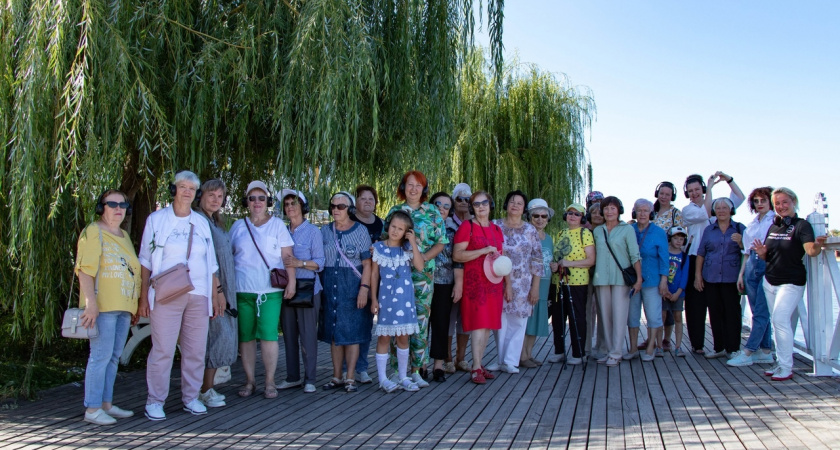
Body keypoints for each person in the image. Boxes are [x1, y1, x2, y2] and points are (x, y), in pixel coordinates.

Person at [138, 171, 222, 420]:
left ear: (196, 194)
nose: (187, 192)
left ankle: (191, 397)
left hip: (198, 294)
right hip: (167, 293)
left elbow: (212, 262)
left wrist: (216, 293)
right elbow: (145, 260)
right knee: (163, 349)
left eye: (192, 188)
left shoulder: (201, 222)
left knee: (195, 349)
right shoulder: (157, 219)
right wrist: (143, 297)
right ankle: (155, 400)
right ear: (174, 189)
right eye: (182, 186)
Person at [75, 189, 141, 425]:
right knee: (100, 357)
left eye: (122, 205)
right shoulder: (93, 231)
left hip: (123, 307)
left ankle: (106, 404)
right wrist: (90, 305)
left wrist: (133, 306)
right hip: (102, 307)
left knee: (113, 358)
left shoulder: (123, 235)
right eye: (111, 204)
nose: (117, 209)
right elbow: (84, 270)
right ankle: (92, 409)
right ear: (101, 207)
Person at [229, 180, 297, 399]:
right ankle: (250, 381)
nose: (257, 202)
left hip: (269, 291)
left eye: (261, 198)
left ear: (267, 201)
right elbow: (229, 257)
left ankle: (270, 381)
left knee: (269, 336)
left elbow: (288, 257)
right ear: (246, 201)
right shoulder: (238, 227)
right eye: (252, 198)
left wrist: (292, 282)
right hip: (242, 290)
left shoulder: (277, 225)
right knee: (246, 337)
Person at [753, 188, 826, 381]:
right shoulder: (774, 226)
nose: (781, 206)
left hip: (791, 282)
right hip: (770, 281)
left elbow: (810, 251)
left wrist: (817, 245)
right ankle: (780, 362)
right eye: (777, 203)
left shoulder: (801, 226)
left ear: (794, 202)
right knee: (778, 324)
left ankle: (786, 367)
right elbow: (768, 255)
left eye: (785, 202)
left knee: (779, 319)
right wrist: (761, 253)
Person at [384, 171, 447, 387]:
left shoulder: (432, 212)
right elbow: (386, 239)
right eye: (409, 185)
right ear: (403, 187)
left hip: (423, 275)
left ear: (424, 189)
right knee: (397, 323)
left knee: (420, 323)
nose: (413, 189)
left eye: (418, 186)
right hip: (397, 274)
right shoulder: (395, 211)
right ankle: (395, 371)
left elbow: (441, 241)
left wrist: (425, 257)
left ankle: (417, 370)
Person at [682, 171, 745, 355]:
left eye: (697, 189)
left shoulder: (719, 205)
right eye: (690, 190)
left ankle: (728, 345)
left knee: (720, 304)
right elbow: (706, 212)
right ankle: (697, 344)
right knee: (695, 305)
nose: (694, 193)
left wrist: (728, 180)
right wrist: (709, 188)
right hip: (696, 258)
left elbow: (739, 198)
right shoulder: (689, 210)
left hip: (719, 260)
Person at [319, 191, 373, 392]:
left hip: (352, 285)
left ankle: (350, 377)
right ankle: (336, 376)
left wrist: (364, 289)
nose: (335, 210)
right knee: (334, 333)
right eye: (333, 206)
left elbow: (367, 265)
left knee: (352, 332)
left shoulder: (360, 231)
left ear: (349, 209)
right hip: (330, 284)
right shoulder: (324, 231)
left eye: (340, 206)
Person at [487, 190, 542, 373]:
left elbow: (537, 259)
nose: (515, 205)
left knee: (518, 322)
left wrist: (535, 287)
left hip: (523, 282)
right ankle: (501, 359)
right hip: (497, 280)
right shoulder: (495, 226)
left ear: (524, 208)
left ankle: (511, 360)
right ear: (506, 204)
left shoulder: (530, 230)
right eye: (512, 201)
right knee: (500, 321)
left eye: (519, 203)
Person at [195, 179, 238, 408]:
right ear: (200, 195)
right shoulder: (200, 221)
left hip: (224, 288)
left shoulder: (215, 221)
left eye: (220, 196)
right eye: (211, 195)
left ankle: (206, 388)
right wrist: (218, 290)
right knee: (216, 337)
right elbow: (205, 259)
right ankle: (204, 390)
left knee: (220, 335)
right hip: (213, 289)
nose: (215, 200)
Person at [453, 190, 504, 384]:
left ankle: (479, 363)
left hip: (494, 283)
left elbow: (502, 258)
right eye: (476, 204)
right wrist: (483, 251)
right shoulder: (468, 226)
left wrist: (508, 285)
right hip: (475, 283)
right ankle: (475, 368)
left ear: (490, 205)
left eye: (484, 203)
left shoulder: (497, 229)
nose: (481, 207)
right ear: (472, 207)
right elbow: (457, 255)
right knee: (478, 324)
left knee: (488, 324)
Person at [371, 210, 424, 392]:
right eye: (393, 226)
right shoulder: (378, 248)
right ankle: (383, 378)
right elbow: (374, 274)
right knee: (384, 337)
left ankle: (403, 376)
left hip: (405, 302)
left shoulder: (408, 249)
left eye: (400, 229)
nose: (395, 231)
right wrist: (373, 300)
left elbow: (419, 265)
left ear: (406, 232)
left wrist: (413, 243)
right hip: (386, 301)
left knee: (403, 338)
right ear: (388, 226)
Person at [279, 190, 324, 393]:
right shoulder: (281, 231)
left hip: (307, 289)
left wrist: (301, 263)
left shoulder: (313, 231)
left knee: (307, 335)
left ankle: (310, 379)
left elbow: (320, 263)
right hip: (286, 288)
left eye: (294, 203)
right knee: (288, 334)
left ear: (303, 207)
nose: (290, 207)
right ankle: (293, 376)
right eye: (287, 203)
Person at [728, 187, 777, 367]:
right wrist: (741, 275)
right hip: (751, 265)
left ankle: (748, 351)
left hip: (767, 263)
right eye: (756, 201)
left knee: (762, 312)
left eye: (763, 200)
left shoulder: (775, 221)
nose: (759, 204)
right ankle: (765, 351)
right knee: (756, 310)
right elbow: (746, 252)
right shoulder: (753, 223)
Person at [592, 196, 642, 367]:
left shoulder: (627, 229)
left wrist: (638, 279)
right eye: (606, 208)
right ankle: (607, 350)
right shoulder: (598, 231)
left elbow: (635, 255)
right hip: (602, 278)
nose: (609, 211)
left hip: (621, 279)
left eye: (612, 208)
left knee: (619, 316)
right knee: (605, 317)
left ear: (619, 210)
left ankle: (616, 352)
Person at [694, 197, 746, 358]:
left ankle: (733, 349)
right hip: (711, 277)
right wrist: (698, 276)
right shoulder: (709, 230)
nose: (722, 210)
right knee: (714, 312)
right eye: (718, 207)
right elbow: (701, 253)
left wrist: (741, 242)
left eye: (725, 207)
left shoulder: (739, 228)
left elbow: (749, 252)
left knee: (732, 313)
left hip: (731, 278)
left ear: (731, 210)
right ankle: (719, 348)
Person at [547, 203, 594, 365]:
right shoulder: (561, 233)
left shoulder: (585, 233)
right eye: (569, 213)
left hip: (577, 282)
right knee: (558, 317)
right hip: (558, 282)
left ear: (582, 218)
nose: (572, 216)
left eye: (577, 214)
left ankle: (578, 352)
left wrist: (567, 263)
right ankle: (559, 350)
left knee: (576, 317)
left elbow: (590, 260)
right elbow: (558, 256)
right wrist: (555, 265)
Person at [344, 184, 382, 384]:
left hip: (374, 279)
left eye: (371, 199)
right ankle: (343, 368)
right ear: (355, 203)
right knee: (347, 324)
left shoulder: (381, 225)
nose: (367, 202)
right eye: (363, 198)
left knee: (366, 325)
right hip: (351, 278)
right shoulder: (349, 223)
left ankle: (362, 367)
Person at [625, 199, 669, 362]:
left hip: (652, 280)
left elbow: (665, 257)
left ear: (651, 212)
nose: (642, 213)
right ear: (634, 212)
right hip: (632, 280)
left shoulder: (659, 232)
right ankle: (633, 348)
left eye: (645, 210)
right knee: (632, 315)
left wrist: (664, 279)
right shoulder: (630, 230)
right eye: (639, 210)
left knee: (653, 315)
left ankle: (651, 347)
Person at [428, 192, 464, 382]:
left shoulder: (453, 231)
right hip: (422, 282)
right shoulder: (420, 226)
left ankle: (438, 365)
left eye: (446, 206)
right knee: (420, 325)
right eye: (438, 204)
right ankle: (417, 365)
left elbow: (458, 260)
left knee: (441, 324)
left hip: (445, 283)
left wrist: (458, 283)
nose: (441, 208)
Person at [646, 181, 682, 351]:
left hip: (668, 259)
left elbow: (680, 236)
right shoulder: (651, 211)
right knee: (653, 304)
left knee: (667, 303)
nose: (664, 196)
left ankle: (666, 339)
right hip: (650, 261)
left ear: (672, 196)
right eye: (662, 193)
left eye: (668, 194)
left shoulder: (676, 213)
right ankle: (651, 338)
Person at [522, 199, 555, 366]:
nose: (540, 219)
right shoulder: (526, 234)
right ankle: (521, 356)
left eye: (544, 216)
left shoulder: (548, 238)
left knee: (536, 320)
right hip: (529, 285)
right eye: (536, 216)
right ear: (529, 216)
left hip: (544, 284)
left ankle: (529, 353)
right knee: (527, 320)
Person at [448, 183, 473, 373]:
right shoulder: (446, 222)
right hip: (448, 276)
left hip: (472, 276)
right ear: (453, 201)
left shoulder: (475, 222)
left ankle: (461, 358)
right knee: (449, 317)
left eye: (467, 199)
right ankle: (447, 358)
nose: (463, 202)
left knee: (466, 318)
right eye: (459, 199)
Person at [664, 227, 690, 357]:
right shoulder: (665, 254)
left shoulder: (685, 257)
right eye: (675, 238)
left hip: (678, 293)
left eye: (681, 239)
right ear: (670, 239)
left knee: (678, 318)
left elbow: (684, 276)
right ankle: (658, 344)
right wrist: (665, 290)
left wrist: (678, 292)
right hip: (664, 292)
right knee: (662, 318)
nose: (679, 241)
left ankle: (678, 346)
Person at [586, 201, 607, 358]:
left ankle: (602, 345)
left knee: (603, 311)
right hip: (585, 275)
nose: (598, 215)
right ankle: (586, 345)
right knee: (586, 311)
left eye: (600, 212)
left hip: (603, 274)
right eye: (594, 212)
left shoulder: (607, 231)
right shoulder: (583, 231)